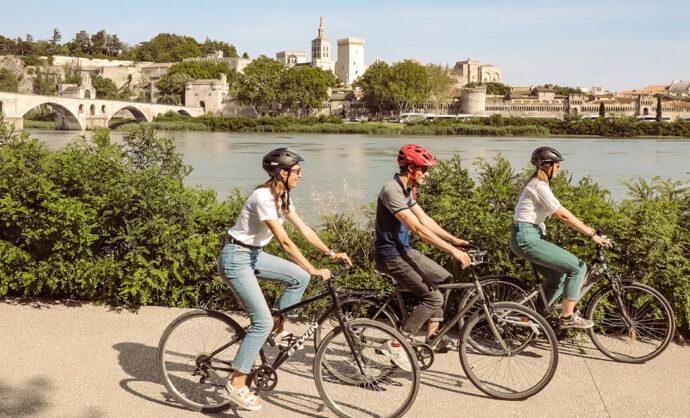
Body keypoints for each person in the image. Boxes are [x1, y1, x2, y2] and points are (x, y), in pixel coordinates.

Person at [217, 147, 351, 411]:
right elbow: (285, 241)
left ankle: (275, 331)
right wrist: (314, 269)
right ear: (282, 172)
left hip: (253, 256)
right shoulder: (263, 197)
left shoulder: (282, 197)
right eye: (297, 171)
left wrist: (331, 253)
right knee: (261, 321)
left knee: (298, 276)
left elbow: (304, 230)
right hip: (235, 258)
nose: (301, 175)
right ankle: (236, 383)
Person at [374, 144, 471, 352]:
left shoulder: (407, 189)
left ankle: (432, 335)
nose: (426, 174)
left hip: (405, 252)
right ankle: (396, 343)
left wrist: (454, 240)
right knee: (433, 297)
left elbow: (426, 220)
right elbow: (417, 229)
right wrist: (452, 251)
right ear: (411, 168)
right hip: (390, 256)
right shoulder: (392, 190)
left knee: (445, 279)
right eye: (424, 169)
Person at [510, 146, 611, 329]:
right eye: (557, 165)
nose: (559, 168)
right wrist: (591, 234)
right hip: (527, 238)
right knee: (578, 268)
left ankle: (531, 317)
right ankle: (567, 317)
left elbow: (563, 214)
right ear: (546, 166)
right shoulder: (538, 185)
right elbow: (562, 215)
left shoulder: (539, 185)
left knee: (558, 279)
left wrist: (589, 229)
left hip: (528, 237)